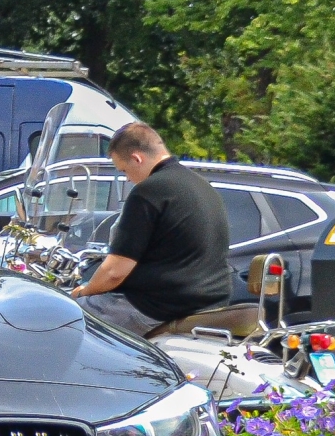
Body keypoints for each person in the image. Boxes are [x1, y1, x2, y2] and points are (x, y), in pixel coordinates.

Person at [67, 122, 236, 335]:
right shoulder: (202, 185)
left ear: (137, 159)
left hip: (157, 305)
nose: (128, 179)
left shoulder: (149, 192)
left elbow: (114, 272)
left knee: (65, 320)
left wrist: (85, 291)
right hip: (211, 301)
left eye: (125, 170)